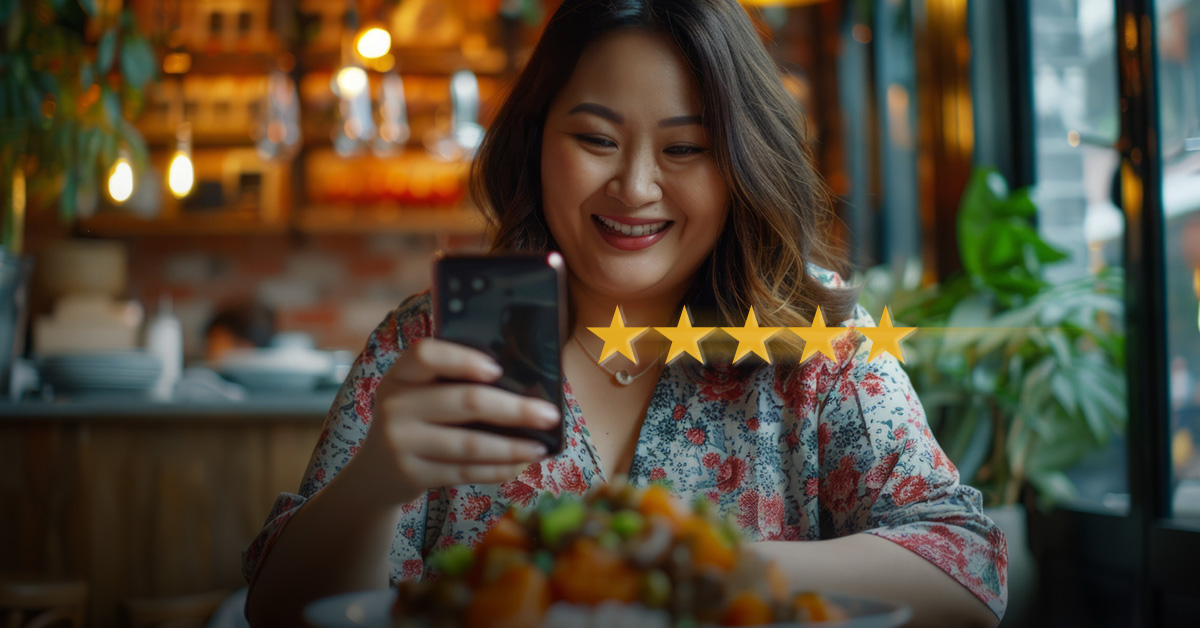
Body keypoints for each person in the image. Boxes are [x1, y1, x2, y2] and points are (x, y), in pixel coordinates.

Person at [243, 1, 1007, 626]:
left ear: (741, 163)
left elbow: (966, 570)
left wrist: (667, 561)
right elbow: (279, 611)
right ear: (537, 140)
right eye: (596, 139)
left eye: (685, 150)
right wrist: (378, 478)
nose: (635, 187)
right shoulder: (433, 338)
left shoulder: (816, 342)